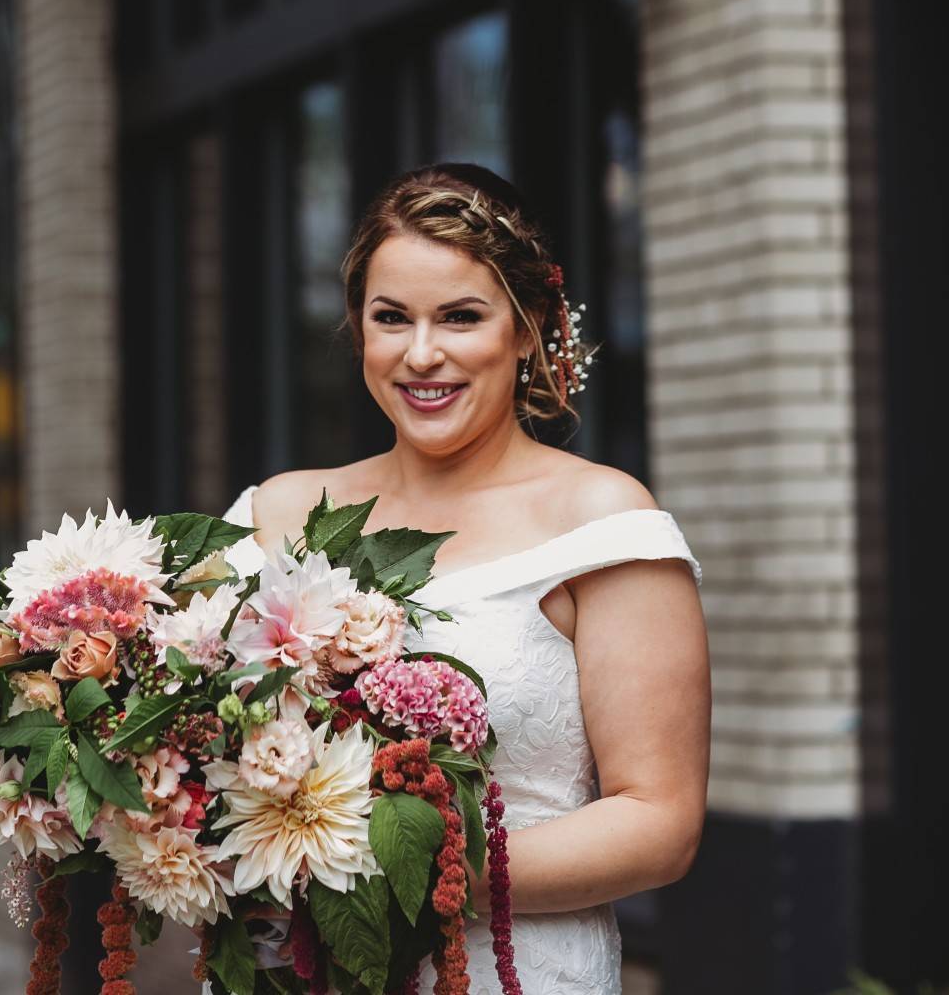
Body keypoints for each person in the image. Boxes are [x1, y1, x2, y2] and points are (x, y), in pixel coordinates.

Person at [222, 161, 710, 995]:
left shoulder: (600, 520)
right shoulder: (275, 512)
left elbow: (658, 824)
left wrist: (378, 868)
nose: (421, 354)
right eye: (390, 318)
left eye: (460, 317)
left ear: (528, 329)